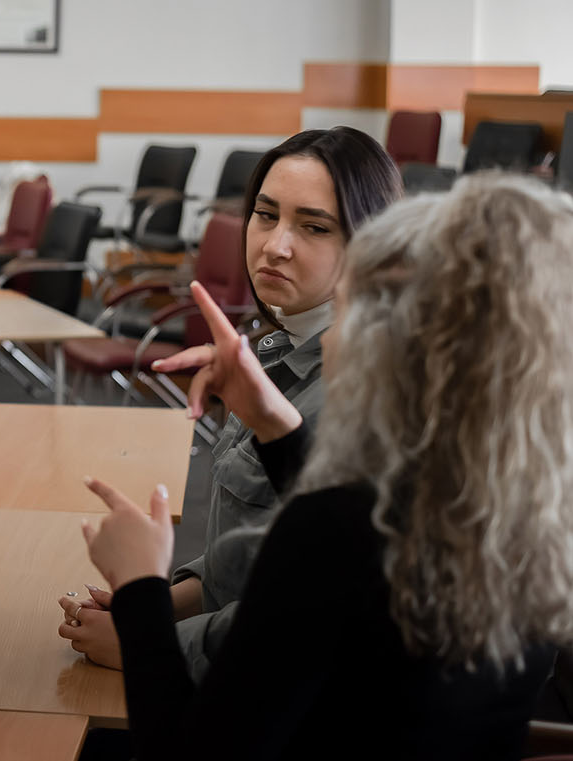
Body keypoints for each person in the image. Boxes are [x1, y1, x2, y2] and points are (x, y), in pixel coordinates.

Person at [73, 172, 572, 759]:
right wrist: (276, 428)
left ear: (395, 345)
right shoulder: (535, 511)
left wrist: (140, 592)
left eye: (346, 308)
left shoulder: (336, 531)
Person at [61, 127, 401, 678]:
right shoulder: (272, 348)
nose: (274, 245)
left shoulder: (364, 397)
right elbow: (251, 560)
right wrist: (158, 606)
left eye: (313, 227)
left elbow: (318, 612)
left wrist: (149, 642)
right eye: (266, 215)